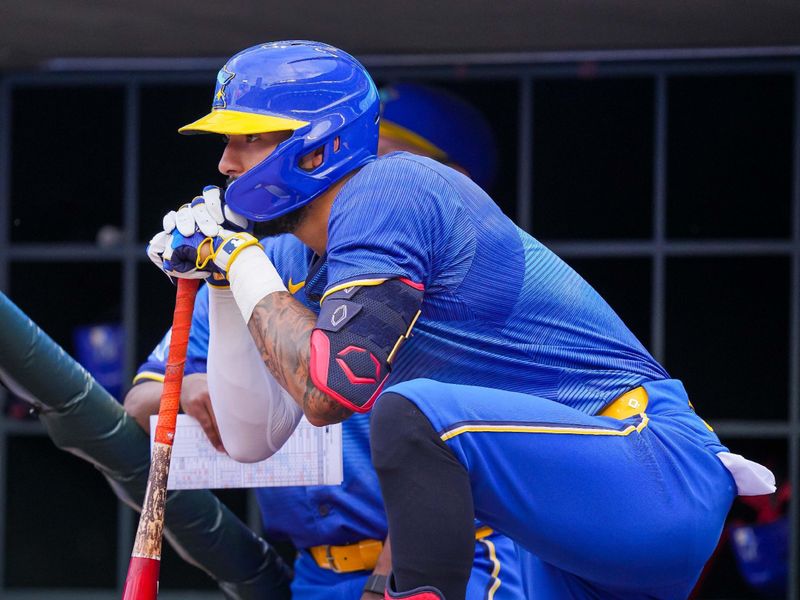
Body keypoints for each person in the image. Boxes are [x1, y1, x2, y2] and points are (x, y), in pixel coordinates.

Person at [147, 41, 776, 600]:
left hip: (645, 466)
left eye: (247, 139)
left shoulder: (390, 187)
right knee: (416, 412)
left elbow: (333, 387)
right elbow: (258, 439)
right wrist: (230, 283)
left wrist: (237, 253)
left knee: (415, 411)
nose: (226, 163)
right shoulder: (314, 270)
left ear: (318, 144)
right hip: (564, 530)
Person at [128, 82, 525, 599]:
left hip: (454, 557)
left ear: (452, 178)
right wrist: (197, 385)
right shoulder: (258, 261)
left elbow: (474, 444)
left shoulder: (453, 272)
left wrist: (391, 576)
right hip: (318, 572)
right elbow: (140, 401)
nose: (363, 180)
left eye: (386, 162)